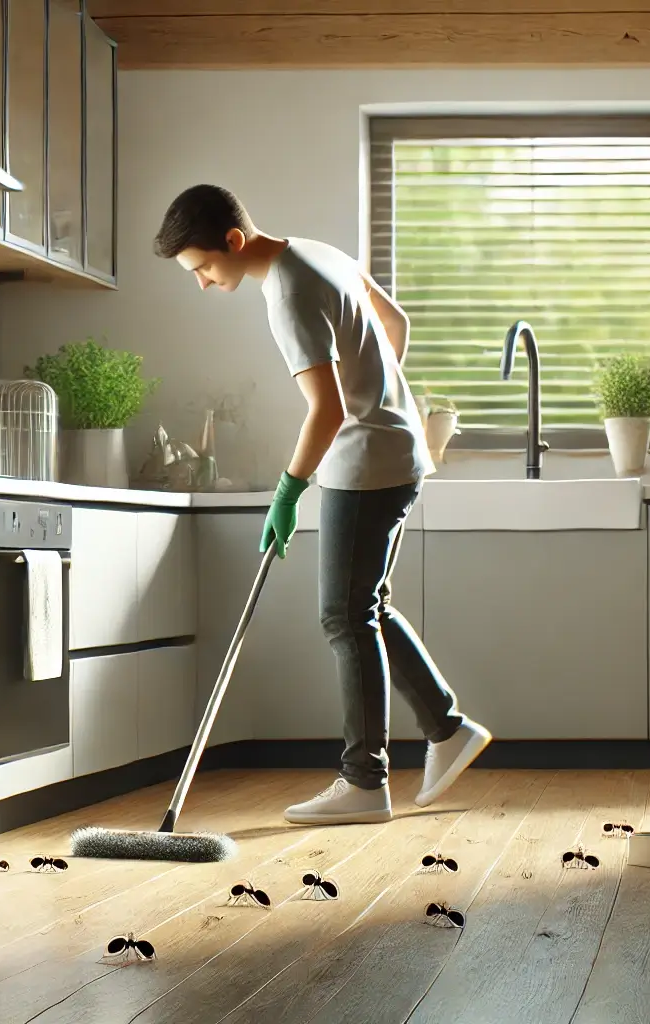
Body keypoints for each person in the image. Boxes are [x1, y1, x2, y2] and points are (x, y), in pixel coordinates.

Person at [152, 184, 492, 824]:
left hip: (365, 466)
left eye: (201, 268)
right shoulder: (318, 254)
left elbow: (328, 410)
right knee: (365, 607)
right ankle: (448, 729)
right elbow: (397, 323)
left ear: (232, 241)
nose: (201, 283)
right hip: (395, 453)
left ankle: (365, 781)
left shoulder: (285, 291)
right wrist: (383, 398)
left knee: (343, 614)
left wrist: (287, 490)